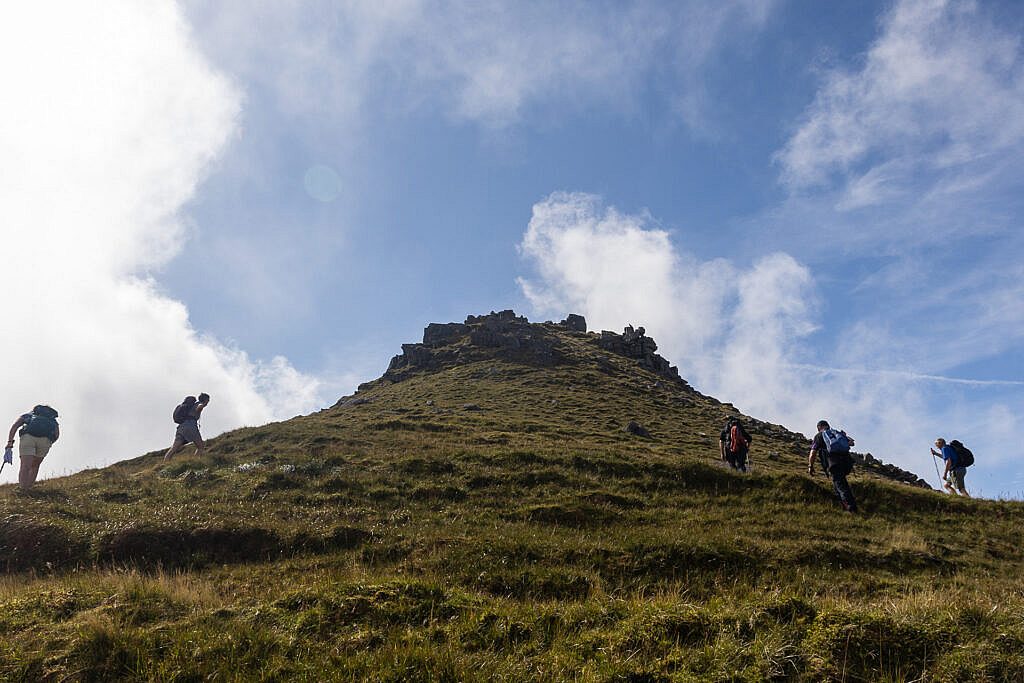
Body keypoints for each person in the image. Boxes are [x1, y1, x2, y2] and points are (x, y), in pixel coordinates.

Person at [808, 420, 858, 513]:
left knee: (841, 486)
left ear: (819, 428)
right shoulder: (836, 433)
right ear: (828, 426)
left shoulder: (819, 436)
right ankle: (845, 507)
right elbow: (851, 443)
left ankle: (852, 509)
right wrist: (844, 436)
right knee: (838, 485)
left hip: (834, 464)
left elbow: (813, 452)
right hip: (846, 463)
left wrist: (810, 466)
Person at [6, 405, 59, 490]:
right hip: (45, 441)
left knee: (25, 466)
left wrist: (10, 442)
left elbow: (15, 426)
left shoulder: (28, 415)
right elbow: (57, 434)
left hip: (28, 438)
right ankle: (30, 487)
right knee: (35, 466)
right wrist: (49, 442)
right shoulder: (52, 420)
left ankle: (23, 489)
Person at [164, 393, 210, 461]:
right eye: (208, 400)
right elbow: (199, 407)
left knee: (175, 447)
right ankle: (195, 462)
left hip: (181, 427)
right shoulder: (199, 404)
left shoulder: (190, 406)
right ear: (205, 400)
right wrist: (202, 406)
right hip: (190, 426)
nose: (208, 402)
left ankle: (165, 462)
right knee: (201, 446)